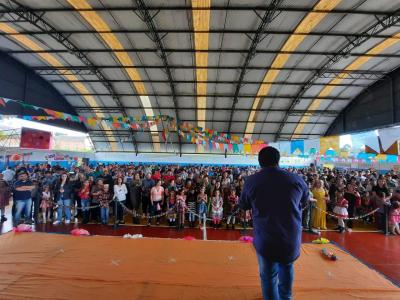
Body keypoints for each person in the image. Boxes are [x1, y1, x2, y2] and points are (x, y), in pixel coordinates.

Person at [239, 146, 309, 300]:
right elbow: (304, 202)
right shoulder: (296, 180)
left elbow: (243, 205)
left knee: (268, 275)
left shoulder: (251, 181)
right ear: (278, 160)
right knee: (287, 266)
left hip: (266, 237)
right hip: (290, 236)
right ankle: (286, 297)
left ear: (259, 162)